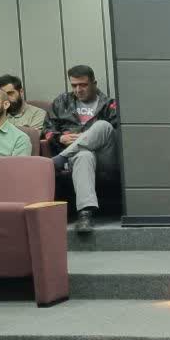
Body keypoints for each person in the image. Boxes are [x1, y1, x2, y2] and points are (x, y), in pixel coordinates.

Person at [46, 65, 120, 233]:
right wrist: (60, 137)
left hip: (105, 158)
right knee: (84, 155)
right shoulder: (62, 102)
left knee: (102, 126)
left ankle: (60, 159)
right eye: (74, 85)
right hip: (77, 160)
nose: (78, 89)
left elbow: (118, 134)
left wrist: (86, 136)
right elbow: (47, 130)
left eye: (83, 85)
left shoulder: (109, 104)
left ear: (94, 83)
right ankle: (85, 215)